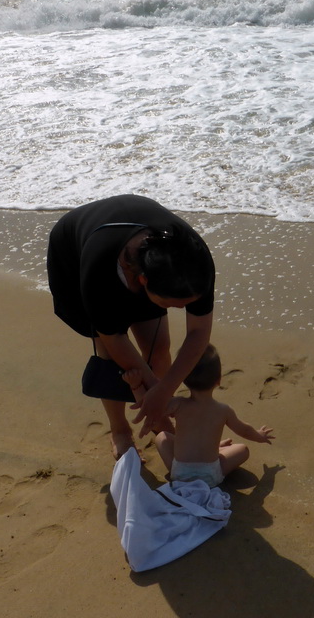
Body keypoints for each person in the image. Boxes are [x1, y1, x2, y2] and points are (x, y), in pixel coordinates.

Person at [47, 195, 215, 458]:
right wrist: (154, 391)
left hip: (149, 261)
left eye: (186, 304)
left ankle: (159, 421)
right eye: (173, 304)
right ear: (143, 281)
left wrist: (163, 391)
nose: (182, 310)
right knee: (111, 358)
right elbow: (115, 340)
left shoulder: (194, 263)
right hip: (76, 253)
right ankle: (120, 430)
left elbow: (198, 334)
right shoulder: (98, 271)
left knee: (159, 348)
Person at [124, 344, 275, 487]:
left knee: (162, 436)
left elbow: (148, 407)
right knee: (243, 449)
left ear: (183, 379)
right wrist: (260, 436)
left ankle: (214, 449)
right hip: (211, 476)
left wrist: (136, 386)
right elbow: (245, 430)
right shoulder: (223, 410)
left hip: (179, 473)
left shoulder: (177, 404)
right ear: (218, 380)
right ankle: (214, 449)